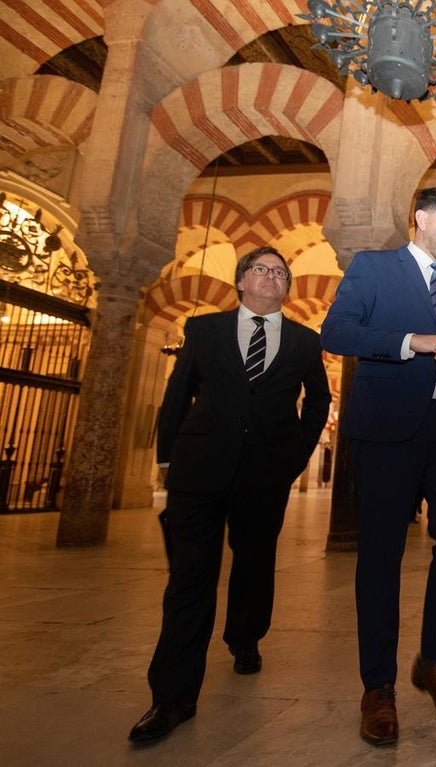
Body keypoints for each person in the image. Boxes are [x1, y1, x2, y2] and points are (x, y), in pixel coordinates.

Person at [128, 247, 331, 742]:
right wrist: (166, 461)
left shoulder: (305, 341)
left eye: (280, 273)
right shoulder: (204, 330)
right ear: (241, 282)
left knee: (255, 562)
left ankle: (245, 638)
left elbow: (319, 401)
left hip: (265, 474)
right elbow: (178, 395)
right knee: (189, 579)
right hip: (199, 472)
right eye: (260, 270)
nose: (270, 277)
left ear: (287, 287)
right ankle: (172, 698)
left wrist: (294, 458)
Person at [320, 187, 436, 746]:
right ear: (421, 218)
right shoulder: (373, 268)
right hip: (387, 430)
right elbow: (336, 331)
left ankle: (433, 662)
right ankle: (378, 687)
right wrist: (409, 342)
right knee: (381, 554)